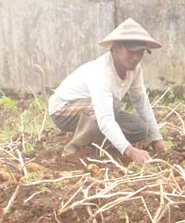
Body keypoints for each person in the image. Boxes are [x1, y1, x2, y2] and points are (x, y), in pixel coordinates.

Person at [49, 18, 167, 165]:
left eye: (141, 52)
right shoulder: (101, 72)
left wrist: (156, 138)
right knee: (112, 107)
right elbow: (105, 118)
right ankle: (75, 146)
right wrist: (130, 151)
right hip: (63, 110)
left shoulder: (135, 69)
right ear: (116, 48)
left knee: (140, 129)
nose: (136, 57)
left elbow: (141, 102)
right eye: (131, 51)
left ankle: (92, 138)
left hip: (96, 108)